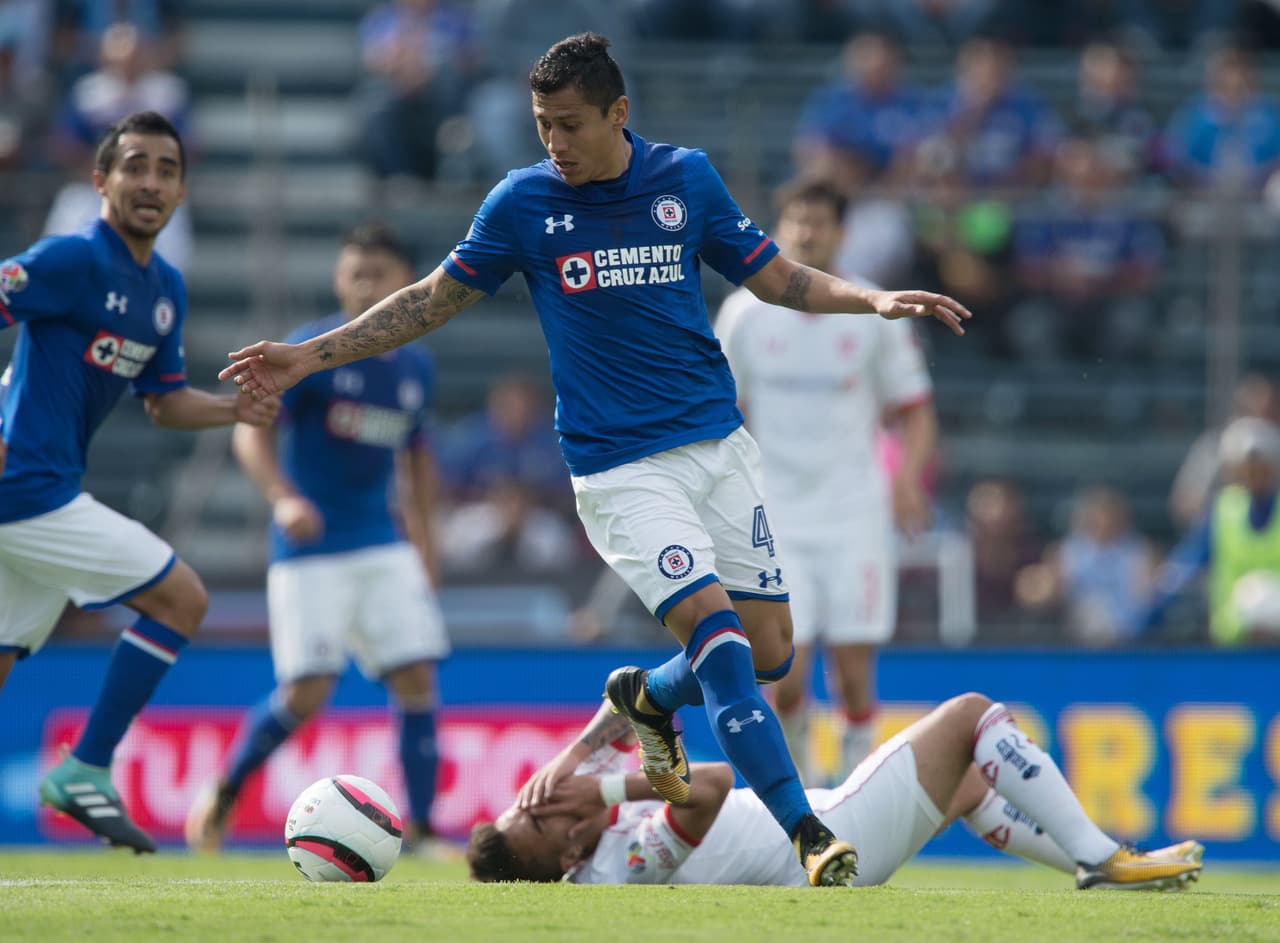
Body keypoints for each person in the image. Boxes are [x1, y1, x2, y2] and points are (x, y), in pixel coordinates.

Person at [221, 33, 971, 887]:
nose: (555, 142)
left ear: (619, 113)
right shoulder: (523, 202)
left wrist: (871, 299)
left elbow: (776, 277)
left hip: (719, 450)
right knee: (724, 643)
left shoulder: (685, 179)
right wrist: (309, 355)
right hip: (620, 471)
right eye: (543, 124)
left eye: (570, 123)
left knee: (772, 651)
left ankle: (648, 698)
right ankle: (809, 832)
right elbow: (429, 300)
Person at [0, 110, 280, 853]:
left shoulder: (164, 291)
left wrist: (234, 410)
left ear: (183, 190)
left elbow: (163, 402)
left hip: (42, 490)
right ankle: (87, 766)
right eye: (135, 166)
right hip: (25, 487)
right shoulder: (70, 259)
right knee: (182, 598)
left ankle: (84, 769)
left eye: (166, 169)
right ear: (100, 181)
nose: (151, 182)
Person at [184, 223, 452, 855]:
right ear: (338, 279)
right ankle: (225, 791)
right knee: (308, 692)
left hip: (381, 541)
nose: (365, 286)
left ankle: (421, 831)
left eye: (378, 274)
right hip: (312, 547)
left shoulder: (415, 366)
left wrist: (426, 543)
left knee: (417, 676)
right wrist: (284, 498)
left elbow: (417, 460)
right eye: (355, 273)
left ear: (405, 283)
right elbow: (250, 431)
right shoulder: (310, 351)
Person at [466, 687, 1205, 890]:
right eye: (540, 817)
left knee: (968, 786)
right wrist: (602, 792)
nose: (546, 800)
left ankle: (1096, 865)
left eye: (527, 801)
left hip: (830, 825)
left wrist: (575, 752)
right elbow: (713, 783)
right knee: (970, 716)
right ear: (566, 852)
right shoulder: (618, 869)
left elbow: (632, 695)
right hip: (837, 840)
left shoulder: (584, 823)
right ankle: (1101, 856)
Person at [715, 178, 937, 782]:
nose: (806, 233)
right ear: (778, 228)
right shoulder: (744, 314)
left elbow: (916, 409)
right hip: (776, 517)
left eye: (818, 223)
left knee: (853, 673)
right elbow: (721, 410)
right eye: (796, 221)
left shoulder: (873, 313)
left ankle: (857, 790)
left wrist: (906, 480)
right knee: (786, 673)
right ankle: (803, 794)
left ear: (841, 233)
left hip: (854, 514)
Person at [1138, 416, 1280, 645]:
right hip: (1232, 639)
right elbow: (1186, 564)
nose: (1252, 474)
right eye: (1245, 466)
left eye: (1258, 465)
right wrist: (1144, 619)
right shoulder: (1224, 510)